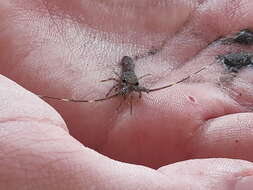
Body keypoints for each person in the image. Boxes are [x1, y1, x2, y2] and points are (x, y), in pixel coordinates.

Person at [0, 0, 252, 189]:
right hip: (126, 69)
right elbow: (118, 84)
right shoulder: (122, 80)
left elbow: (135, 88)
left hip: (130, 72)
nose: (133, 93)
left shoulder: (132, 84)